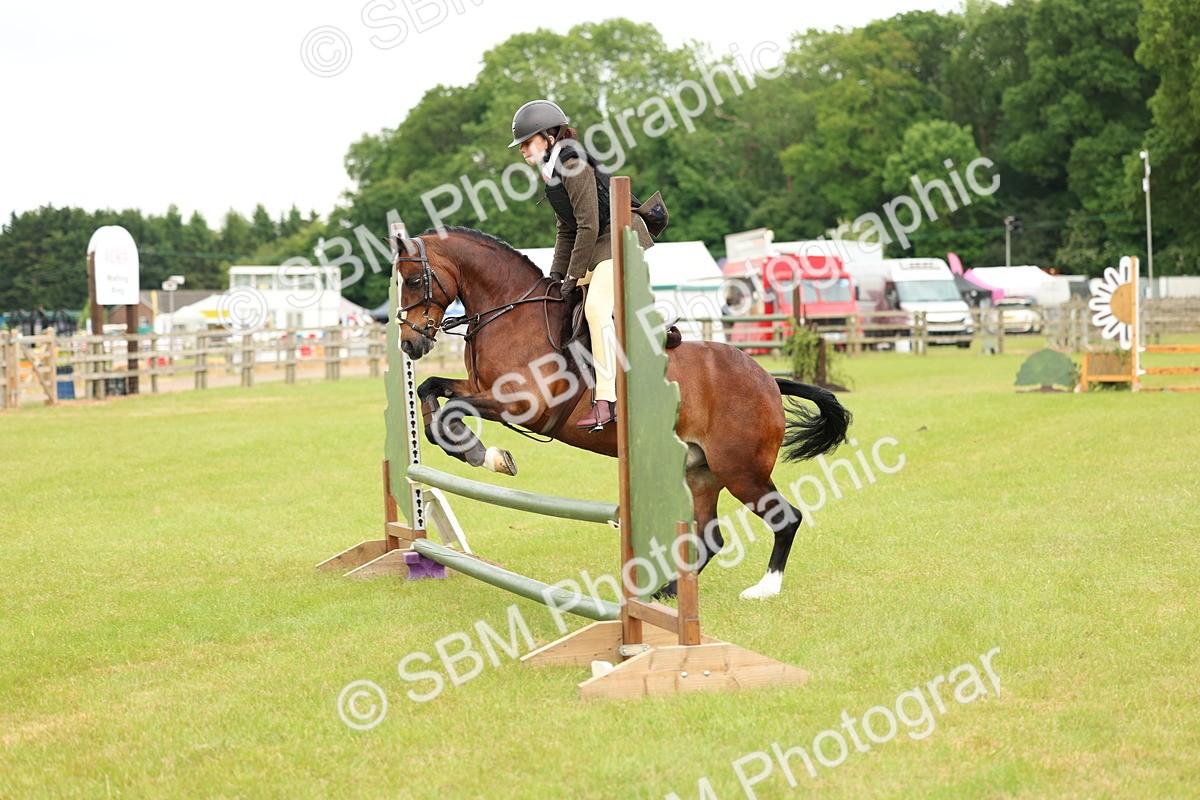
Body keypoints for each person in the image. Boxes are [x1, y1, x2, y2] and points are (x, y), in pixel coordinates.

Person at [509, 99, 656, 430]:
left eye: (527, 142)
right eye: (520, 145)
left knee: (596, 309)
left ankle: (606, 401)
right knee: (560, 301)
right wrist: (556, 276)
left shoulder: (574, 165)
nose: (522, 150)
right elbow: (567, 228)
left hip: (619, 238)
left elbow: (588, 226)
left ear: (549, 136)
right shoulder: (551, 172)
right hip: (595, 241)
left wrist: (574, 274)